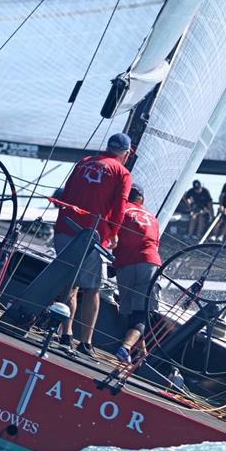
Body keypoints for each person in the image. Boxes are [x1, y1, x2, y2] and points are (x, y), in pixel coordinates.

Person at [53, 132, 133, 358]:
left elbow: (65, 192)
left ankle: (65, 334)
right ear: (126, 154)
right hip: (91, 235)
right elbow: (119, 208)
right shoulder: (122, 173)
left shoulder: (85, 162)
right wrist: (115, 233)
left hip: (64, 228)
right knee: (93, 289)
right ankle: (85, 343)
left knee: (70, 284)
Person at [112, 184, 161, 364]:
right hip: (148, 262)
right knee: (141, 313)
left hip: (124, 264)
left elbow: (111, 237)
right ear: (142, 199)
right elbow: (155, 243)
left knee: (128, 311)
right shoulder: (152, 217)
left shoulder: (120, 209)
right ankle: (125, 349)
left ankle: (139, 354)